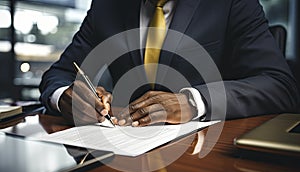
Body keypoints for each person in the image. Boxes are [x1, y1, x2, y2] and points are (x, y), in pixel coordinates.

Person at [39, 0, 299, 127]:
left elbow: (279, 85)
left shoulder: (232, 3)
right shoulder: (107, 6)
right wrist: (64, 97)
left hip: (207, 159)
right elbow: (59, 74)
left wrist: (193, 101)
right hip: (124, 151)